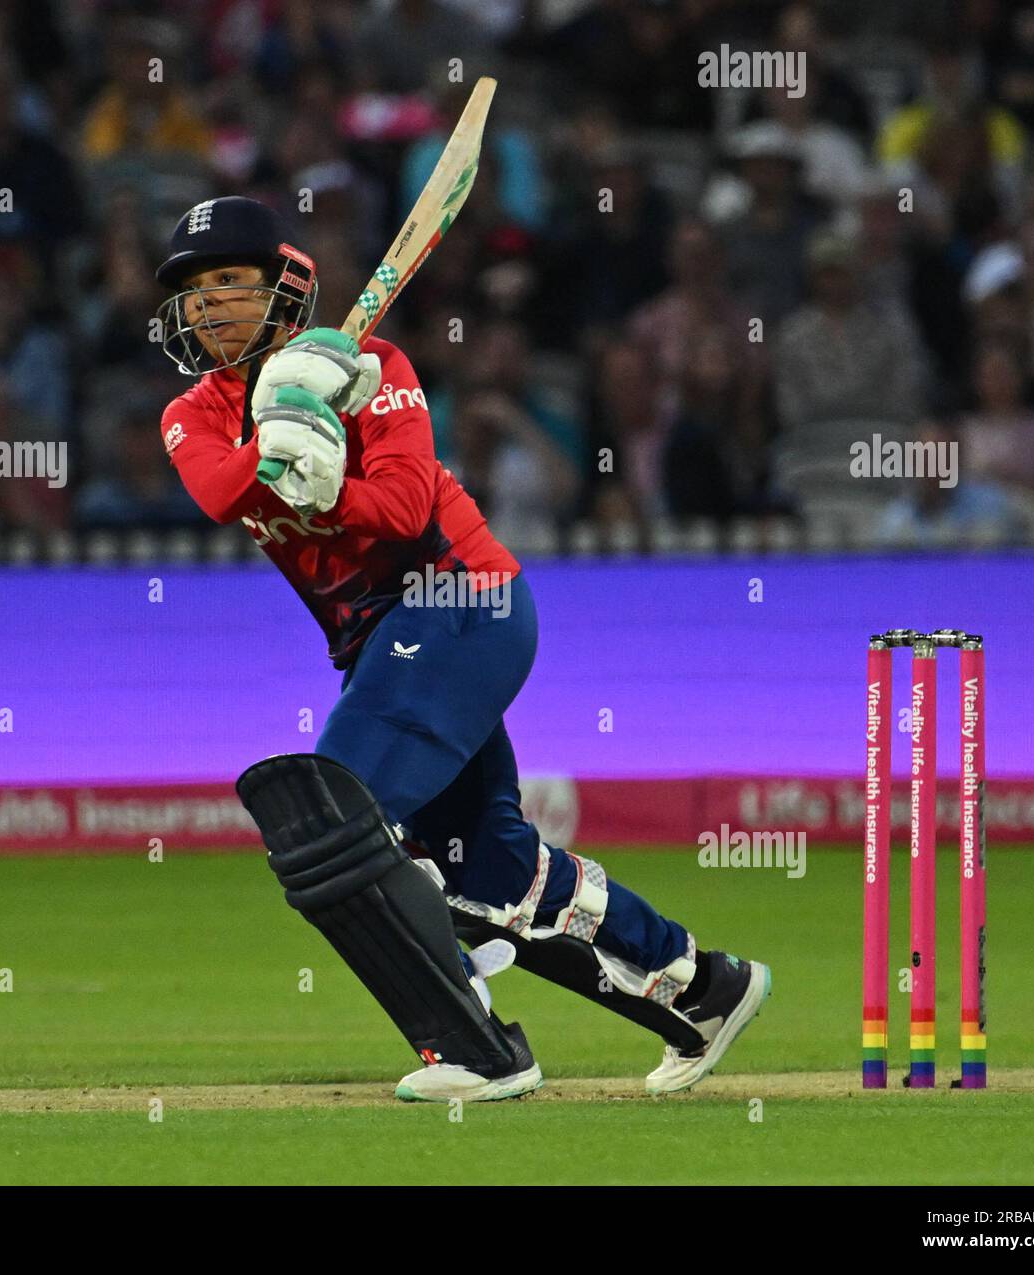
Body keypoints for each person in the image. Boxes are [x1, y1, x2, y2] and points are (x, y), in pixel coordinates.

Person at [152, 196, 770, 1102]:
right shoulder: (193, 413)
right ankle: (703, 987)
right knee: (491, 871)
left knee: (333, 817)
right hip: (381, 643)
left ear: (284, 285)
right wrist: (281, 441)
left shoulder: (375, 365)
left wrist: (330, 482)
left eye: (230, 282)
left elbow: (403, 509)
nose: (208, 305)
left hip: (463, 602)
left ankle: (478, 1048)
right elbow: (218, 491)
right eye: (195, 291)